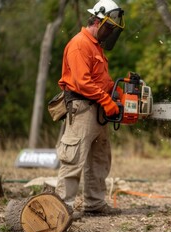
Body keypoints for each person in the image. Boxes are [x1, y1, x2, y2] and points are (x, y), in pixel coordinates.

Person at [55, 0, 125, 219]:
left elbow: (99, 79)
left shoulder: (95, 46)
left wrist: (115, 91)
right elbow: (83, 82)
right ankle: (62, 208)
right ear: (98, 20)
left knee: (99, 157)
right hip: (82, 108)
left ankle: (94, 203)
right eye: (109, 27)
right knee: (73, 157)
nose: (110, 31)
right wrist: (106, 100)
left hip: (98, 109)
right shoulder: (79, 44)